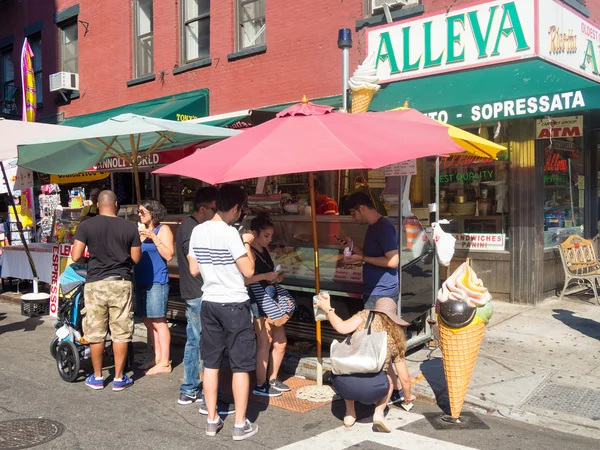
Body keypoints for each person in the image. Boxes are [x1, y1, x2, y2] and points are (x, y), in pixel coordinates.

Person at [188, 184, 258, 441]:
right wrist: (246, 243)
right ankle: (240, 424)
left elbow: (194, 270)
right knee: (240, 365)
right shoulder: (231, 234)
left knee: (211, 363)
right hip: (234, 304)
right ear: (237, 208)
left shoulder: (198, 230)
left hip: (210, 303)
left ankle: (211, 419)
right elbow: (249, 271)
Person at [339, 191, 407, 404]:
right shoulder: (373, 228)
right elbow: (370, 255)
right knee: (374, 342)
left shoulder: (385, 227)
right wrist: (352, 246)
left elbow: (393, 261)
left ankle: (388, 389)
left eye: (353, 213)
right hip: (373, 290)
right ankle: (389, 387)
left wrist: (363, 258)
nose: (352, 218)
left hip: (383, 293)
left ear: (362, 208)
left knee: (381, 344)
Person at [71, 190, 141, 391]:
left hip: (95, 283)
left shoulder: (86, 225)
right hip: (121, 281)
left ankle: (98, 376)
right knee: (121, 331)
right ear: (116, 204)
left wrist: (90, 261)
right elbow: (136, 259)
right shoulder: (129, 227)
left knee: (95, 332)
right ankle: (119, 378)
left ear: (97, 205)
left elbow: (76, 256)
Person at [315, 294, 415, 431]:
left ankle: (350, 414)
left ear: (376, 308)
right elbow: (405, 378)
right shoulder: (395, 337)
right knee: (390, 380)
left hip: (344, 386)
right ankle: (379, 413)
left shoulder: (364, 315)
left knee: (347, 367)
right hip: (375, 389)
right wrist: (407, 398)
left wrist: (329, 310)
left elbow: (341, 328)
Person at [176, 187, 235, 415]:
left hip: (193, 292)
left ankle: (189, 389)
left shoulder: (188, 227)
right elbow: (196, 265)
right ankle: (207, 401)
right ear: (203, 208)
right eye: (213, 208)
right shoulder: (194, 229)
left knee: (194, 340)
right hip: (199, 292)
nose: (215, 213)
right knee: (208, 345)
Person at [245, 213, 290, 397]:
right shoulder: (248, 251)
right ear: (254, 233)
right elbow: (245, 279)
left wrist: (275, 276)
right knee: (265, 341)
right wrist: (265, 276)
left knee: (281, 341)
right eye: (266, 235)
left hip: (271, 299)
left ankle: (272, 378)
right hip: (258, 300)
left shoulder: (264, 250)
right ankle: (260, 383)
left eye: (271, 235)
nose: (269, 239)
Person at [134, 200, 174, 375]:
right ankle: (156, 358)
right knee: (148, 320)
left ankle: (165, 362)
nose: (140, 215)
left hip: (157, 280)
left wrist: (153, 237)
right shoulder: (140, 231)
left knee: (159, 321)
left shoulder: (162, 229)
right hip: (141, 279)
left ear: (153, 212)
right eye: (139, 212)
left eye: (143, 212)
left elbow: (169, 254)